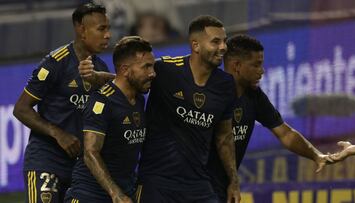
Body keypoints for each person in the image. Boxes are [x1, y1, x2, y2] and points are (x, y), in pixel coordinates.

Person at [206, 34, 334, 203]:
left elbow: (285, 134)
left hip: (224, 187)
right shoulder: (208, 94)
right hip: (197, 185)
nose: (262, 71)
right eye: (256, 65)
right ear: (237, 65)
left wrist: (317, 156)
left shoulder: (254, 96)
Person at [13, 2, 113, 202]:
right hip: (46, 160)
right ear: (82, 30)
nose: (108, 35)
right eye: (101, 29)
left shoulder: (100, 68)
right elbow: (21, 109)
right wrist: (58, 133)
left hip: (79, 167)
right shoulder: (55, 63)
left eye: (108, 28)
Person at [136, 15, 241, 203]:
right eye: (216, 42)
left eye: (224, 41)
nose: (223, 47)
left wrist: (233, 181)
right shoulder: (165, 70)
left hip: (198, 184)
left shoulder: (225, 84)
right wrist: (97, 77)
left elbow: (224, 137)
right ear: (196, 46)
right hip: (157, 181)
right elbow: (126, 80)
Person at [65, 36, 156, 203]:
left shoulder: (139, 98)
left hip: (125, 191)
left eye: (153, 66)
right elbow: (90, 152)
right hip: (89, 196)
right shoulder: (102, 102)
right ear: (125, 69)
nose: (152, 73)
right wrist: (116, 193)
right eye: (146, 67)